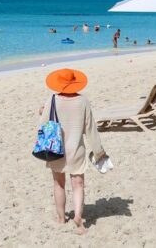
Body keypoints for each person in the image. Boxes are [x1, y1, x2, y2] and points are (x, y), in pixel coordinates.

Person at [38, 68, 107, 235]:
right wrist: (98, 151)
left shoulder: (53, 99)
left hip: (57, 149)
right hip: (76, 149)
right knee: (78, 185)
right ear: (75, 83)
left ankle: (61, 218)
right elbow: (90, 128)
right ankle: (77, 217)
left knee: (58, 183)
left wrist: (42, 111)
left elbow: (42, 124)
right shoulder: (83, 101)